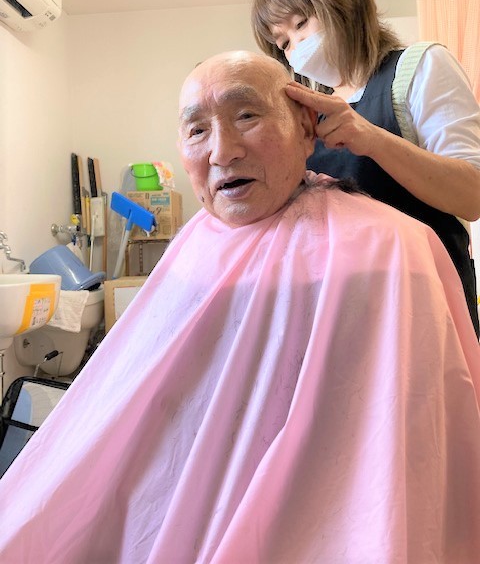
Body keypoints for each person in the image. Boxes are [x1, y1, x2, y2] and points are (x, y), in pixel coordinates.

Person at [0, 51, 480, 563]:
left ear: (306, 128)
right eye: (197, 130)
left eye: (247, 115)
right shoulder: (193, 249)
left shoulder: (389, 249)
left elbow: (402, 449)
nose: (223, 151)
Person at [251, 0, 480, 336]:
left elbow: (471, 195)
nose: (296, 47)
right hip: (341, 312)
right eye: (284, 43)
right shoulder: (308, 113)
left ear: (342, 3)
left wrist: (371, 139)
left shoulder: (418, 68)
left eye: (301, 23)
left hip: (425, 302)